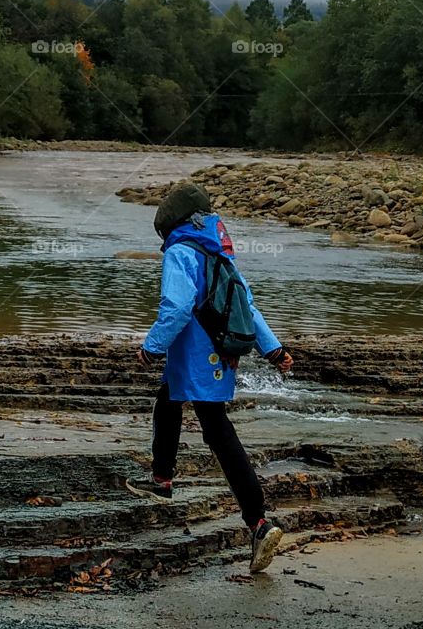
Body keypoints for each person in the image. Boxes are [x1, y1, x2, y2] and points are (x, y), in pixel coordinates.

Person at [127, 181, 294, 575]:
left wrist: (151, 346)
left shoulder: (180, 253)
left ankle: (258, 522)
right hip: (220, 356)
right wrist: (275, 351)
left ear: (172, 225)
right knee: (168, 401)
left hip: (194, 356)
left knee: (215, 429)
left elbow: (177, 306)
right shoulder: (221, 257)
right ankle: (162, 479)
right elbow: (249, 310)